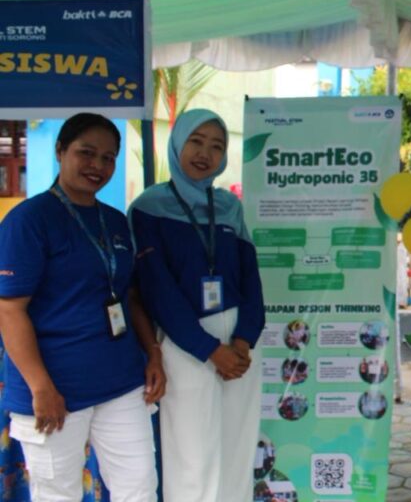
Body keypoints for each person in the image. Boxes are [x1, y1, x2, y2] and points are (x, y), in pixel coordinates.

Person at [0, 112, 164, 500]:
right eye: (86, 153)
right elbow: (9, 310)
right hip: (55, 388)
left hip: (121, 382)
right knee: (58, 493)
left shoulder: (114, 221)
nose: (97, 165)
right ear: (61, 151)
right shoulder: (29, 220)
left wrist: (153, 353)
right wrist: (41, 387)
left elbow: (129, 295)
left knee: (139, 487)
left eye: (108, 158)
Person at [130, 109, 265, 502]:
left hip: (239, 343)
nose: (205, 153)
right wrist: (209, 349)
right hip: (185, 342)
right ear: (177, 144)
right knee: (192, 456)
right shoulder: (148, 207)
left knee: (238, 448)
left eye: (217, 146)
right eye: (196, 141)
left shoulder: (229, 206)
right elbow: (157, 288)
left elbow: (250, 277)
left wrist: (243, 341)